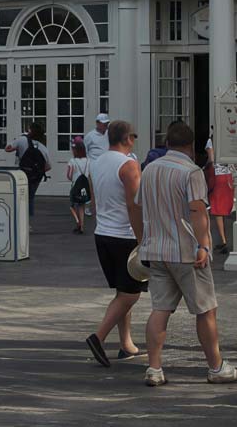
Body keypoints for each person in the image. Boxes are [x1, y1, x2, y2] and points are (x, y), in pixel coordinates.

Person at [135, 121, 237, 386]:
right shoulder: (191, 172)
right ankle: (216, 367)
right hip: (186, 251)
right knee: (205, 310)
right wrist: (204, 244)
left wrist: (142, 241)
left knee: (160, 309)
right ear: (191, 147)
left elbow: (138, 205)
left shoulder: (149, 170)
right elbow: (197, 210)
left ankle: (154, 368)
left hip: (156, 249)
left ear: (167, 143)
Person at [85, 120, 144, 367]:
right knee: (130, 294)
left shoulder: (96, 163)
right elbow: (135, 206)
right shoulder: (129, 165)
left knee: (122, 290)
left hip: (103, 233)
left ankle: (126, 343)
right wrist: (144, 239)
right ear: (127, 138)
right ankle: (98, 336)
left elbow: (94, 197)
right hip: (124, 234)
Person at [5, 122, 50, 218]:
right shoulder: (44, 148)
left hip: (23, 174)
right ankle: (28, 221)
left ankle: (18, 218)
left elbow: (7, 149)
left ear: (30, 131)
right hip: (36, 177)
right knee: (30, 197)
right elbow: (48, 167)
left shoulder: (22, 140)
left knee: (19, 196)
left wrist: (16, 142)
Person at [205, 131, 235, 254]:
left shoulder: (211, 141)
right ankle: (225, 239)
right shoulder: (229, 140)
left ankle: (223, 240)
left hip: (217, 175)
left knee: (217, 210)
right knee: (224, 208)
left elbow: (211, 160)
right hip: (229, 175)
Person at [67, 138, 91, 234]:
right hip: (84, 187)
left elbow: (69, 175)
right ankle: (82, 225)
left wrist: (73, 179)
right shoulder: (88, 161)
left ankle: (78, 222)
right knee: (82, 206)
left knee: (72, 205)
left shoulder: (72, 161)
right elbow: (89, 174)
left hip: (75, 186)